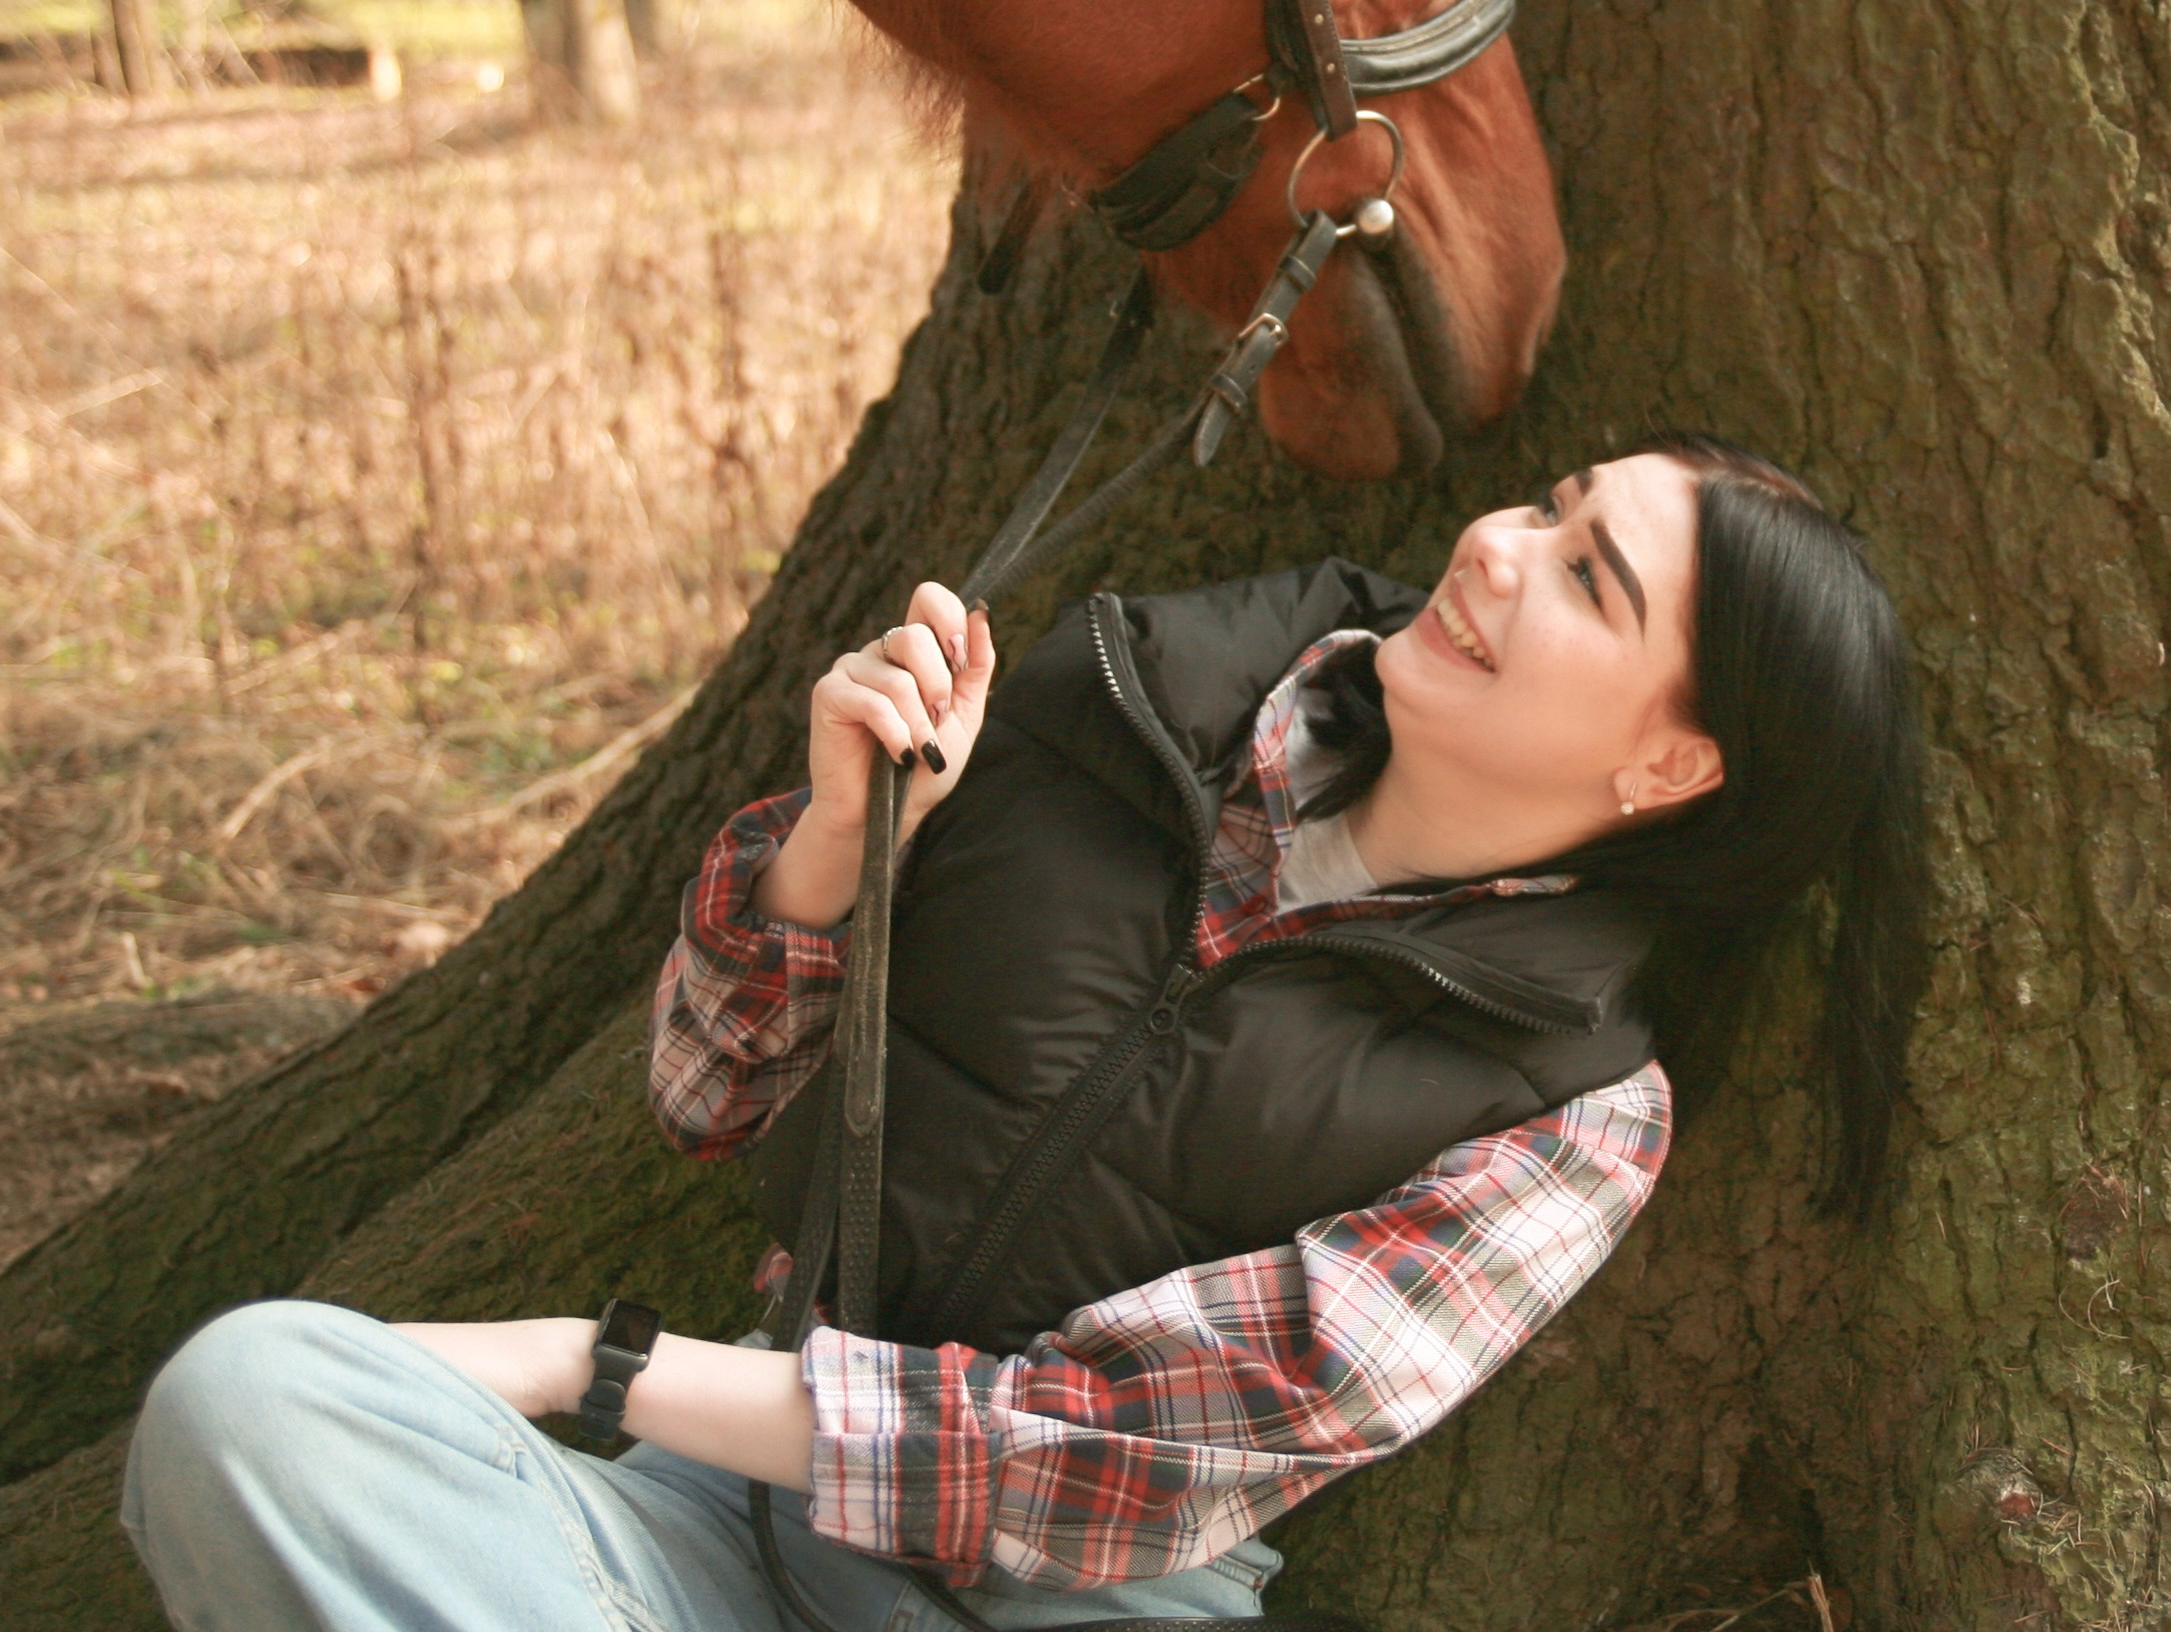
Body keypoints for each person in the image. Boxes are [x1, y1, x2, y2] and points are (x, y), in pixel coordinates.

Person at [123, 436, 1925, 1632]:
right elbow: (702, 1090)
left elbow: (1106, 1459)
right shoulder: (1122, 710)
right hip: (708, 1536)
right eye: (1543, 507)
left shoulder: (1577, 1114)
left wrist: (586, 1366)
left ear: (1669, 764)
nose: (1499, 552)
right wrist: (842, 846)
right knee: (252, 1402)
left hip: (1046, 1612)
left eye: (1590, 579)